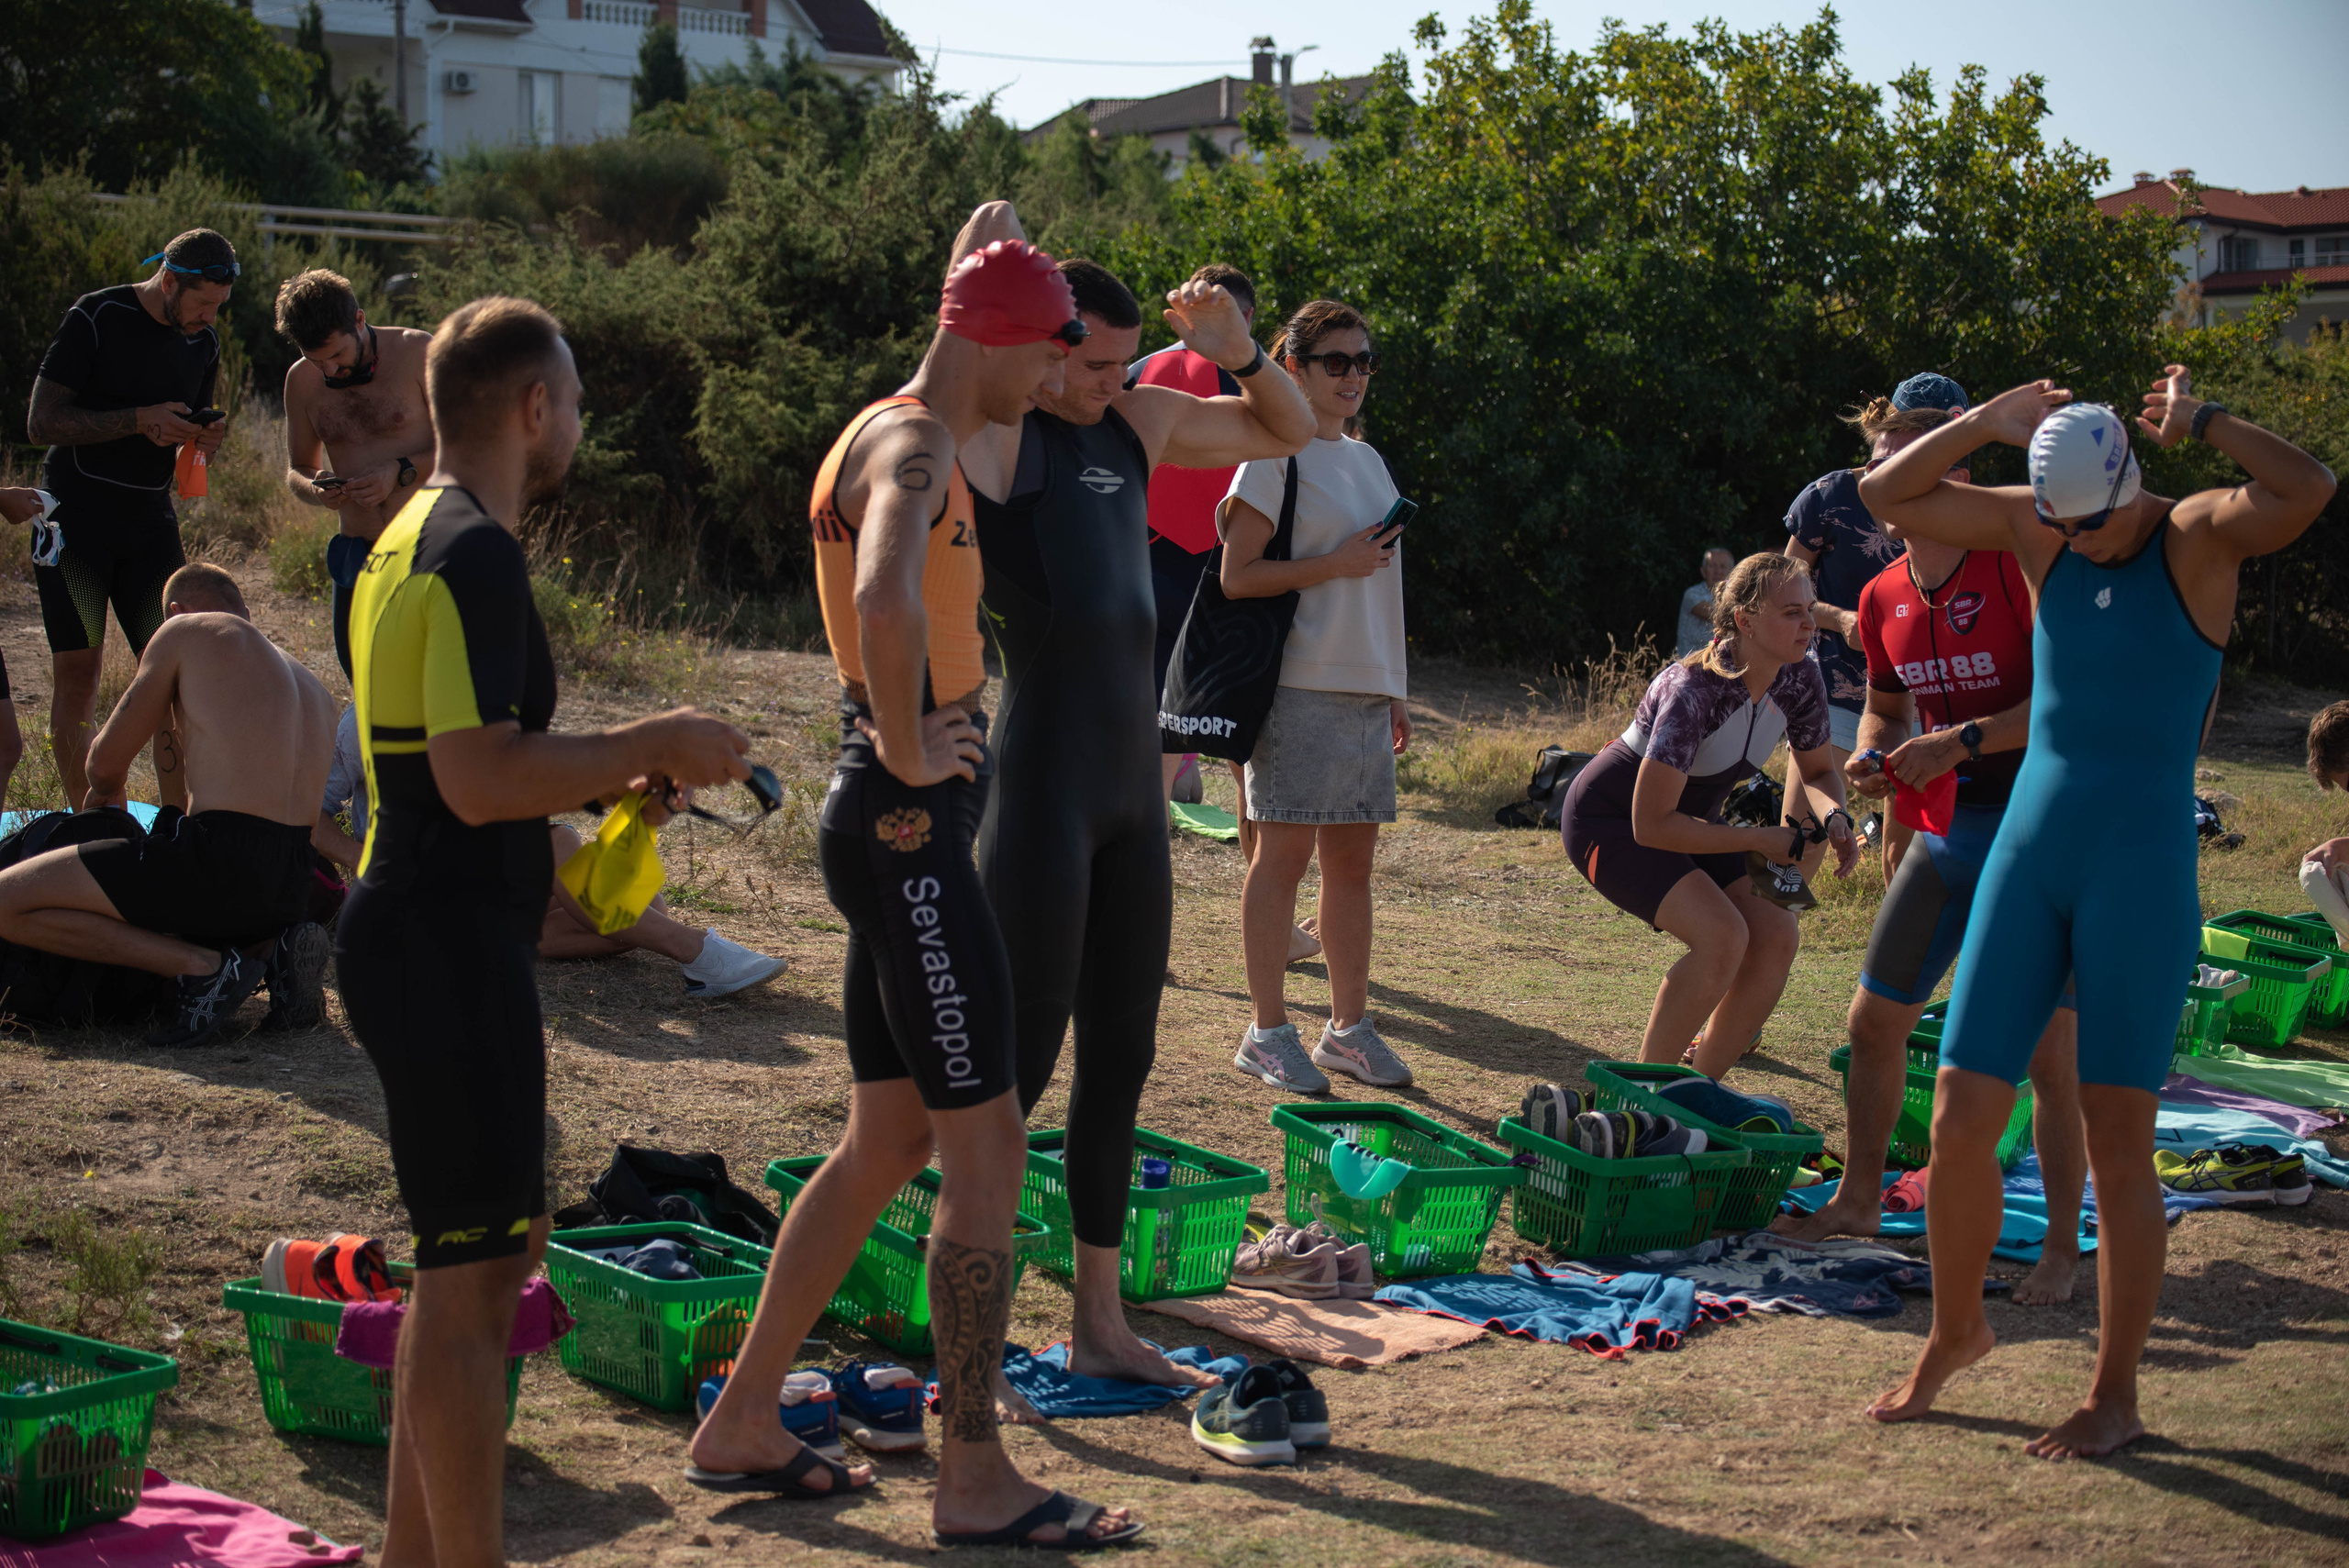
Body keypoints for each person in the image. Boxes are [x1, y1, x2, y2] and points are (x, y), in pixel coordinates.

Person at [688, 217, 1141, 1550]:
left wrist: (972, 261)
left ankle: (746, 1418)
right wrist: (902, 742)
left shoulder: (901, 410)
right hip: (907, 832)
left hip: (890, 823)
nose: (1056, 380)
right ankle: (976, 1472)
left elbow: (957, 356)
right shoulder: (918, 445)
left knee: (889, 1137)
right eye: (1048, 353)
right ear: (999, 343)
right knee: (986, 1141)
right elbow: (886, 590)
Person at [337, 295, 751, 1568]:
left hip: (427, 924)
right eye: (572, 399)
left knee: (486, 1254)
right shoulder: (476, 554)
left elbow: (446, 761)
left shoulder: (410, 530)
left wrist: (595, 782)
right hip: (439, 939)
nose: (577, 420)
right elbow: (470, 777)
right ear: (532, 409)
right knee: (469, 1292)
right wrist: (650, 742)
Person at [1856, 367, 2335, 1458]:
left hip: (2138, 865)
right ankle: (1955, 1329)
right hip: (2032, 851)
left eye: (2100, 522)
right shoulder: (2044, 530)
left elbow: (2308, 485)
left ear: (2134, 479)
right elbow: (1888, 496)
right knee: (1958, 1112)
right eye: (2066, 527)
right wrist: (1984, 422)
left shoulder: (2200, 536)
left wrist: (2207, 417)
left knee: (2121, 1138)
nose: (2087, 544)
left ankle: (2113, 1392)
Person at [958, 239, 1313, 1390]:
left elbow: (1290, 432)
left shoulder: (1142, 423)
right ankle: (985, 1331)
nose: (1114, 381)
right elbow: (936, 392)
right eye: (1095, 364)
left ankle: (1102, 1320)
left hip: (1131, 795)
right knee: (1016, 1068)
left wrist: (1239, 352)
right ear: (1044, 352)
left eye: (1126, 361)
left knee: (1124, 1054)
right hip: (1043, 789)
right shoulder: (1002, 442)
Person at [1767, 410, 2087, 1307]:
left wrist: (1960, 740)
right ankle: (1858, 1198)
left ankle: (2061, 1247)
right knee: (1872, 1022)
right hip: (1948, 832)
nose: (1894, 484)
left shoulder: (2017, 566)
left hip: (2042, 831)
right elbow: (1883, 709)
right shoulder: (1878, 596)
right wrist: (1874, 755)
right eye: (1882, 468)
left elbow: (2072, 699)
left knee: (2051, 1056)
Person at [0, 562, 337, 1048]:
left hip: (218, 864)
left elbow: (102, 767)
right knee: (202, 898)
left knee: (8, 901)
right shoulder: (312, 685)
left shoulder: (185, 631)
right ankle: (274, 950)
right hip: (293, 884)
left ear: (175, 612)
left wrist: (103, 807)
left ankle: (203, 969)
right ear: (245, 610)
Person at [1216, 300, 1417, 1095]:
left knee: (1354, 866)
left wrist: (1394, 687)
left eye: (1364, 361)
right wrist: (1332, 563)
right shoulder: (1270, 451)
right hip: (1295, 683)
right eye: (1336, 360)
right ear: (1290, 366)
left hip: (1364, 687)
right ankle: (1267, 1032)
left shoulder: (1369, 463)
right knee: (1283, 860)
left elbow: (1387, 586)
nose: (1354, 376)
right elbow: (1238, 576)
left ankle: (1348, 1029)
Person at [1558, 552, 1860, 1077]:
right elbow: (1650, 825)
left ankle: (1698, 1092)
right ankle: (1640, 1096)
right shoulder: (1695, 689)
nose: (1809, 624)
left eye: (1810, 609)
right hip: (1611, 820)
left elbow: (1815, 772)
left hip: (1691, 823)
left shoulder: (1800, 676)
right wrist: (1764, 840)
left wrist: (1835, 816)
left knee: (1777, 933)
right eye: (1791, 612)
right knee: (1723, 936)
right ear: (1743, 621)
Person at [24, 228, 238, 812]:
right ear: (169, 281)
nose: (208, 318)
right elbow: (41, 423)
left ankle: (175, 821)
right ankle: (89, 821)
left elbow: (186, 452)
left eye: (219, 307)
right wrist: (137, 419)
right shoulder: (97, 316)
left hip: (148, 520)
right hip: (74, 517)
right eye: (200, 304)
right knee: (79, 674)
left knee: (170, 674)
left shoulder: (204, 344)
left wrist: (203, 440)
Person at [312, 734, 785, 996]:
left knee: (611, 886)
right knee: (578, 869)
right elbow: (311, 813)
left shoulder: (481, 717)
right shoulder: (363, 724)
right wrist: (366, 860)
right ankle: (697, 950)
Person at [1782, 373, 1966, 859]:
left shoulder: (1968, 503)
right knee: (1799, 842)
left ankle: (1898, 931)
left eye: (1945, 443)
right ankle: (1766, 928)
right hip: (1840, 686)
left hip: (1927, 692)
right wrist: (1844, 621)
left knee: (1909, 855)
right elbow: (1785, 592)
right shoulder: (1829, 496)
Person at [276, 269, 436, 680]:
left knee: (432, 689)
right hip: (357, 557)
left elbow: (468, 447)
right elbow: (298, 467)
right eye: (316, 360)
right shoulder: (301, 381)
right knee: (366, 688)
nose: (329, 370)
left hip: (430, 550)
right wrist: (316, 487)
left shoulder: (419, 352)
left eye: (336, 355)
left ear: (360, 320)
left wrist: (400, 472)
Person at [1675, 547, 1734, 658]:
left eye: (1722, 566)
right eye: (1712, 566)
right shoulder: (1692, 594)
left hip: (1721, 665)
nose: (1718, 571)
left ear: (1732, 573)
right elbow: (1715, 614)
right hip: (1690, 665)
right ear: (1703, 571)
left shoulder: (1733, 598)